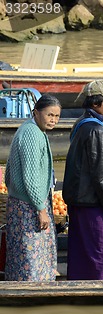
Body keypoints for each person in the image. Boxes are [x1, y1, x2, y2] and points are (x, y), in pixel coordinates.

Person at [63, 80, 103, 280]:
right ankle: (101, 296)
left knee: (81, 255)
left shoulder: (80, 125)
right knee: (101, 255)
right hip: (93, 205)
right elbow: (101, 173)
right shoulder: (96, 130)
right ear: (96, 103)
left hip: (80, 202)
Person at [4, 94, 61, 281]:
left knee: (26, 252)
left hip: (25, 202)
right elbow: (31, 174)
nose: (53, 120)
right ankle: (31, 290)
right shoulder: (31, 133)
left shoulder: (34, 130)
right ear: (36, 112)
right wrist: (40, 208)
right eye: (49, 115)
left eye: (57, 116)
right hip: (28, 205)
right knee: (30, 253)